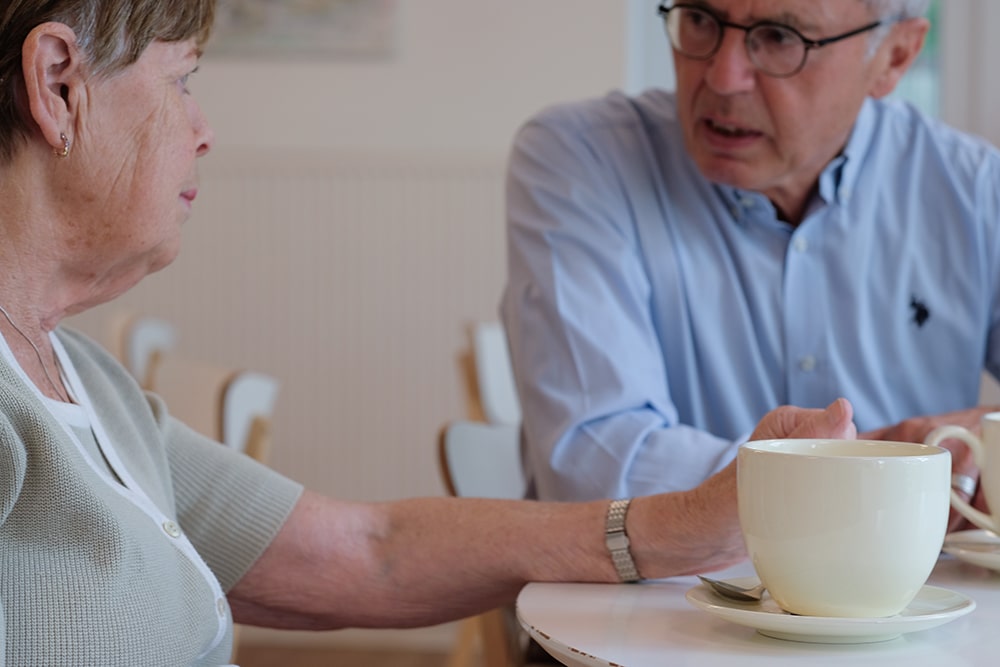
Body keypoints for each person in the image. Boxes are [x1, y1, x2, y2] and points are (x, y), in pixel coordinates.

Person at [0, 1, 861, 664]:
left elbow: (368, 551)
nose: (205, 130)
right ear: (58, 84)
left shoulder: (86, 380)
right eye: (183, 80)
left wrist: (688, 521)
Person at [501, 0, 994, 508]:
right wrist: (895, 466)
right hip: (661, 567)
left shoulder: (976, 190)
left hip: (926, 567)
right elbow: (595, 473)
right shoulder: (584, 161)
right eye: (700, 19)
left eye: (780, 37)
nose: (723, 78)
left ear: (894, 56)